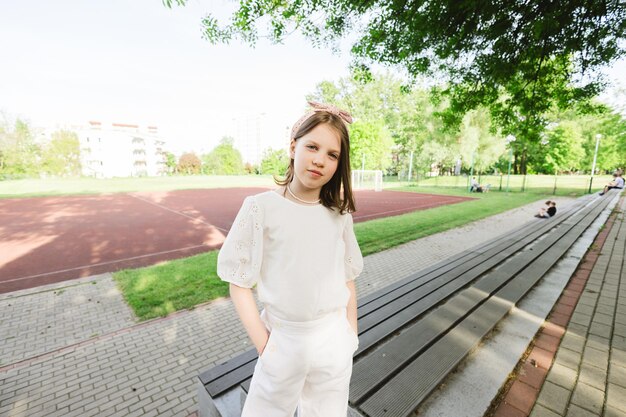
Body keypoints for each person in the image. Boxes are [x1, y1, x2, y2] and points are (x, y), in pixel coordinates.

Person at [216, 101, 363, 417]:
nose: (320, 160)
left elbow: (347, 276)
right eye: (313, 146)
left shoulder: (339, 214)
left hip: (334, 340)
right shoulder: (261, 208)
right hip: (283, 342)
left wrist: (350, 332)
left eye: (332, 154)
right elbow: (238, 283)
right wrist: (265, 347)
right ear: (293, 147)